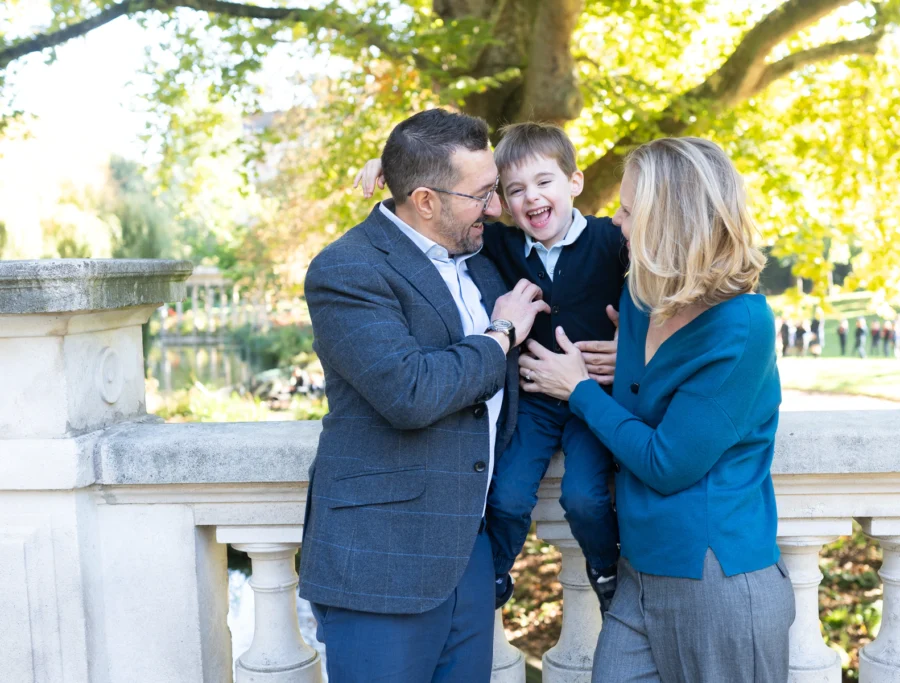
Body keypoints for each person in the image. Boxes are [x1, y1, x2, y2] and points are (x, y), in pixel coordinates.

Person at [519, 137, 794, 681]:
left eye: (627, 210)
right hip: (636, 571)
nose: (614, 221)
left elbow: (667, 463)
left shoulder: (741, 327)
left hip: (715, 577)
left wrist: (578, 390)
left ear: (669, 221)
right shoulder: (640, 300)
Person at [299, 108, 552, 682]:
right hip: (381, 563)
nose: (496, 207)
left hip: (470, 554)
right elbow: (410, 391)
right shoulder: (347, 269)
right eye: (482, 195)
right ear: (426, 201)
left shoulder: (481, 254)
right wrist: (501, 334)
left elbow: (560, 227)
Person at [355, 122, 627, 612]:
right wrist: (391, 170)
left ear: (575, 182)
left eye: (544, 182)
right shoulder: (498, 244)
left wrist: (630, 345)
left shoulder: (613, 239)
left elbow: (667, 274)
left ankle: (607, 568)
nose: (531, 197)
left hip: (593, 401)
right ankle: (494, 575)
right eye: (514, 190)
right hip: (535, 401)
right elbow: (433, 203)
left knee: (585, 498)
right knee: (506, 497)